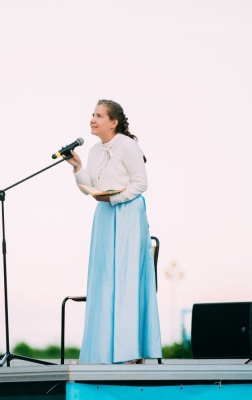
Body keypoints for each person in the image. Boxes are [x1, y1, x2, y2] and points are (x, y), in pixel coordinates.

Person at [66, 99, 162, 364]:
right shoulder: (94, 151)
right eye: (92, 114)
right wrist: (77, 167)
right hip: (105, 216)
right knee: (105, 279)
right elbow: (91, 187)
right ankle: (104, 352)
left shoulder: (128, 145)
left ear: (113, 122)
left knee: (126, 280)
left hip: (129, 213)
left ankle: (130, 351)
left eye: (99, 115)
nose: (93, 119)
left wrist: (115, 199)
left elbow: (141, 183)